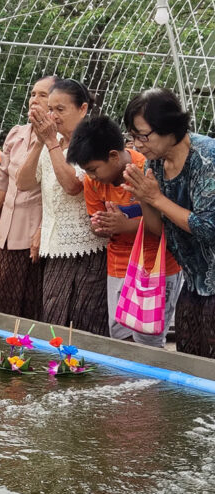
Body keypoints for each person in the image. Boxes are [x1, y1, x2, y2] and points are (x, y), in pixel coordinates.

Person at [67, 115, 182, 347]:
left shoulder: (148, 170)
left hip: (156, 266)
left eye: (93, 170)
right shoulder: (93, 183)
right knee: (121, 337)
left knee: (148, 338)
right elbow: (96, 219)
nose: (91, 177)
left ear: (113, 156)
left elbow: (169, 221)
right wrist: (101, 226)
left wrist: (124, 225)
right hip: (119, 265)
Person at [122, 88, 215, 358]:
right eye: (133, 136)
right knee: (187, 364)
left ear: (170, 128)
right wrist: (144, 199)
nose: (137, 145)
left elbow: (209, 230)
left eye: (143, 135)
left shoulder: (207, 159)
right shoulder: (154, 165)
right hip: (194, 284)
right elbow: (157, 230)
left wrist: (156, 198)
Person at [17, 78, 109, 335]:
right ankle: (58, 372)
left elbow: (72, 185)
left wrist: (51, 143)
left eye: (61, 109)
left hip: (88, 247)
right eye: (51, 109)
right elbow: (24, 182)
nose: (53, 116)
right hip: (54, 246)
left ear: (82, 109)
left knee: (86, 320)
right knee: (55, 318)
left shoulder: (95, 141)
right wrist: (39, 141)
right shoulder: (49, 141)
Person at [0, 76, 55, 319]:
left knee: (31, 305)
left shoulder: (58, 141)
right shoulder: (16, 134)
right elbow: (1, 181)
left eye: (43, 95)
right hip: (6, 235)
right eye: (33, 94)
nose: (34, 100)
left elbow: (54, 192)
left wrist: (43, 229)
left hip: (35, 238)